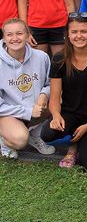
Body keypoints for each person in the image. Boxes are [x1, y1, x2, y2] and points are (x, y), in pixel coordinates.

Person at [40, 13, 87, 171]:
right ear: (67, 34)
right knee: (47, 133)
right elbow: (54, 97)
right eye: (74, 32)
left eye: (83, 31)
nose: (79, 36)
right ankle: (74, 143)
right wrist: (56, 115)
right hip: (70, 114)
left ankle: (84, 142)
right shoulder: (59, 59)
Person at [0, 18, 55, 159]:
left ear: (27, 35)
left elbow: (50, 84)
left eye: (19, 33)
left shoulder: (42, 57)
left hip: (34, 108)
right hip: (8, 112)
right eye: (9, 35)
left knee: (57, 101)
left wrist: (44, 95)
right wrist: (28, 111)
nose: (15, 38)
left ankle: (35, 136)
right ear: (4, 38)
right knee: (19, 140)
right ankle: (5, 140)